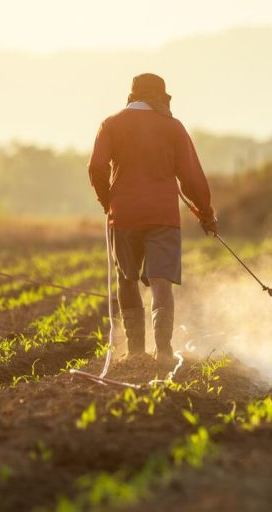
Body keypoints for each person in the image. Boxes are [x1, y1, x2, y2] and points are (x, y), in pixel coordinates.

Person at [88, 73, 217, 369]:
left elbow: (96, 167)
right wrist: (206, 214)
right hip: (163, 216)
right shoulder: (172, 127)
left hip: (124, 216)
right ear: (160, 97)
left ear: (132, 95)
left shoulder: (111, 124)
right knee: (161, 284)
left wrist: (108, 202)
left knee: (127, 278)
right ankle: (163, 352)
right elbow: (191, 178)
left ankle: (134, 351)